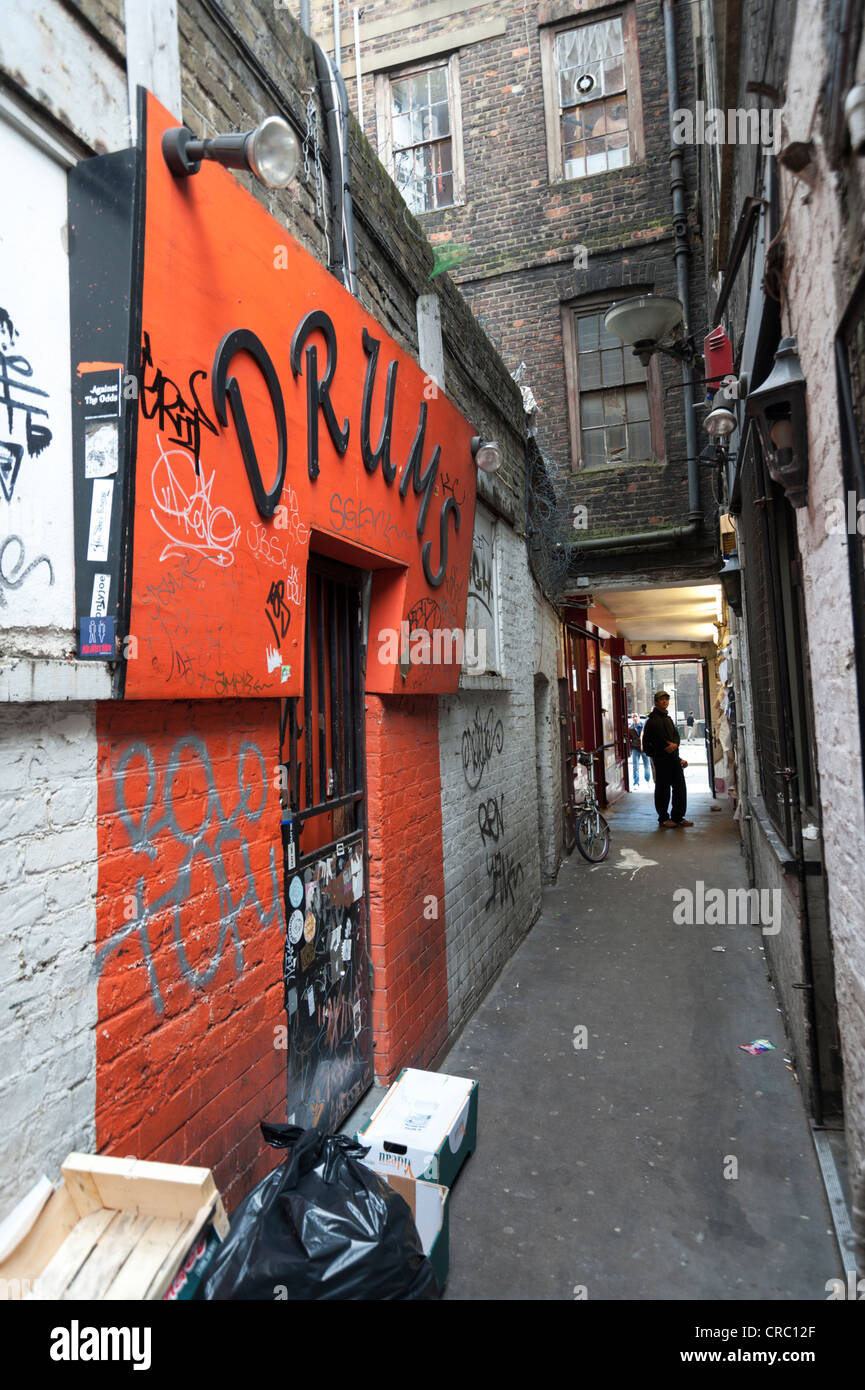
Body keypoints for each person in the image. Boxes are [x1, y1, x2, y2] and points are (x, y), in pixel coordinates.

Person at [641, 690, 693, 828]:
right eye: (661, 699)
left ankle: (678, 817)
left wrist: (675, 746)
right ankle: (663, 818)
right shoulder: (652, 721)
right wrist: (662, 750)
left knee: (680, 789)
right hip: (662, 761)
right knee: (663, 790)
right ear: (656, 702)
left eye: (666, 699)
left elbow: (676, 736)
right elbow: (648, 743)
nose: (664, 702)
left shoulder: (668, 719)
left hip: (674, 759)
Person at [628, 714, 651, 785]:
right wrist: (631, 748)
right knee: (635, 766)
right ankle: (636, 781)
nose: (634, 718)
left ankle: (647, 779)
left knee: (646, 765)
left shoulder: (644, 726)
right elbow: (630, 739)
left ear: (639, 717)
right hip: (635, 749)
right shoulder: (631, 728)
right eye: (633, 717)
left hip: (645, 748)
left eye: (636, 717)